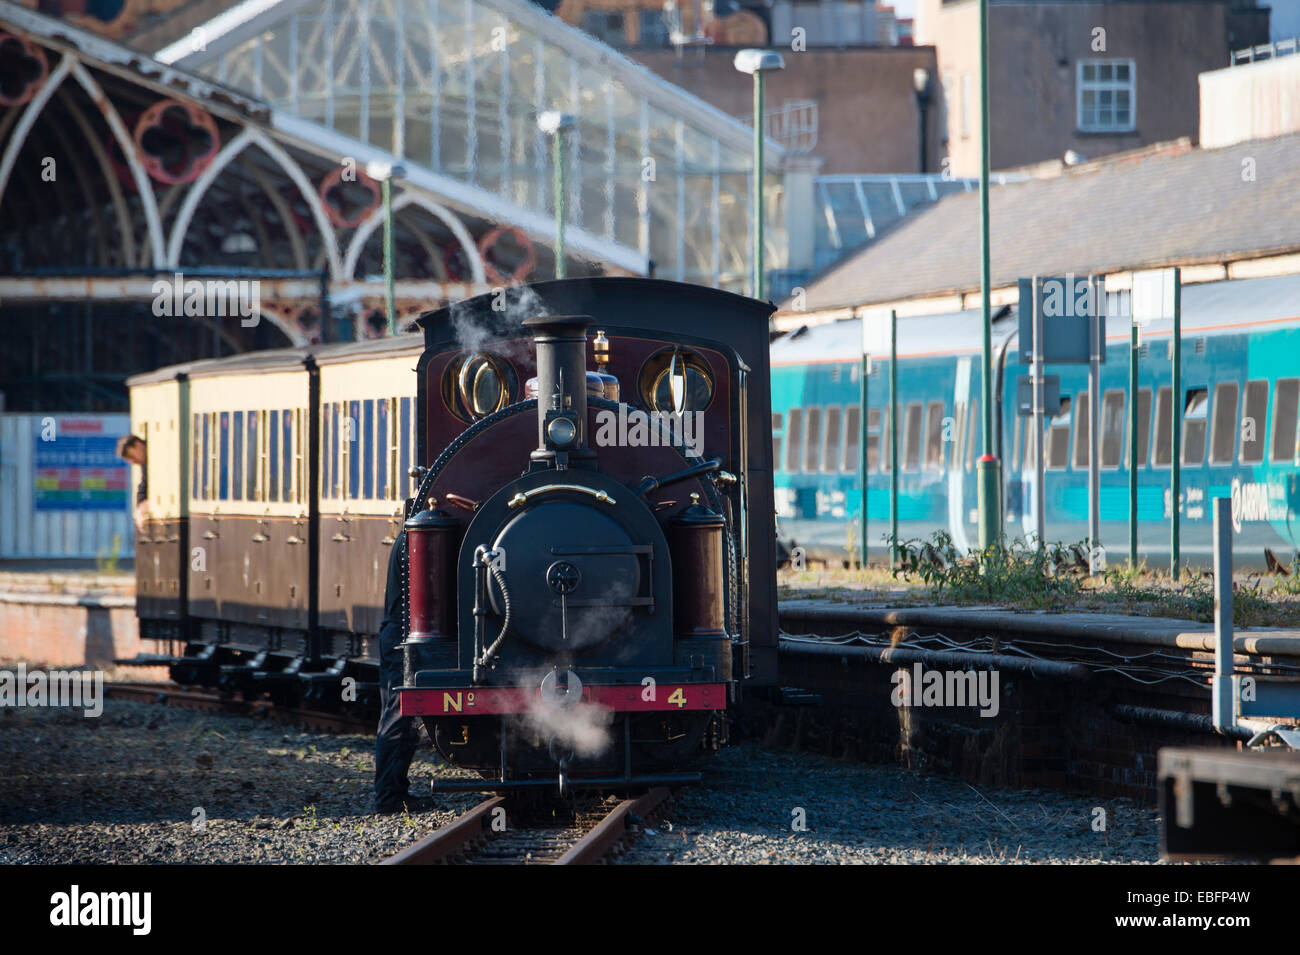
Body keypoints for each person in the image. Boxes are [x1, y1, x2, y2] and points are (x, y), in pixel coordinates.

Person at [374, 527, 437, 814]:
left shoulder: (409, 535)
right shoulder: (417, 537)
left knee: (399, 716)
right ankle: (389, 796)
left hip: (399, 635)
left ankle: (392, 790)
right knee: (400, 716)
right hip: (403, 637)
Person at [116, 434, 149, 530]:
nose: (132, 462)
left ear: (138, 444)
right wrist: (140, 507)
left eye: (131, 456)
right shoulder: (145, 464)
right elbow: (144, 484)